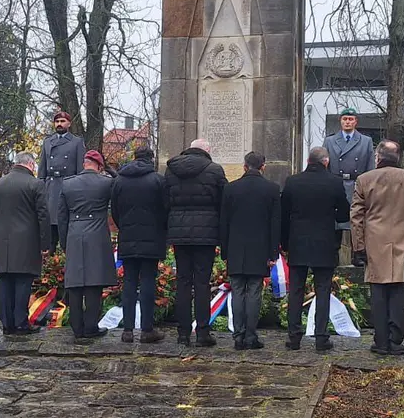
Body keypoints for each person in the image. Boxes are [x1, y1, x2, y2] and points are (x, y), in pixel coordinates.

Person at [350, 140, 404, 356]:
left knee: (378, 293)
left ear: (378, 157)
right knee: (398, 292)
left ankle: (381, 341)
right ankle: (396, 341)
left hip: (375, 243)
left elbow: (356, 216)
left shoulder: (364, 179)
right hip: (402, 241)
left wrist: (358, 247)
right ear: (398, 157)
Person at [279, 146, 348, 352]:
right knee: (323, 290)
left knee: (296, 290)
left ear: (308, 161)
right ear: (326, 162)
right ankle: (321, 337)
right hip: (324, 243)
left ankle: (294, 337)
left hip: (298, 242)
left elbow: (283, 215)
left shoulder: (293, 182)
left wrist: (285, 243)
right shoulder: (335, 182)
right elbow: (343, 215)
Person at [164, 138, 229, 347]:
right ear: (207, 151)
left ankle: (183, 333)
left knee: (183, 282)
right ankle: (202, 332)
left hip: (179, 233)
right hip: (206, 234)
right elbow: (224, 202)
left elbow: (165, 201)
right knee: (202, 283)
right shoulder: (214, 170)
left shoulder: (171, 170)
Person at [219, 151, 282, 351]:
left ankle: (238, 336)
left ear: (244, 166)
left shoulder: (230, 188)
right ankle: (251, 336)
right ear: (263, 166)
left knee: (237, 291)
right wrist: (273, 253)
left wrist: (225, 252)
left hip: (236, 248)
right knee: (254, 291)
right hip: (260, 248)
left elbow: (223, 223)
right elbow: (275, 224)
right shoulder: (272, 189)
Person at [0, 152, 51, 337]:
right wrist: (45, 243)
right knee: (23, 282)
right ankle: (21, 323)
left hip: (3, 242)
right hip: (27, 242)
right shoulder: (35, 184)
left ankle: (7, 324)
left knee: (5, 283)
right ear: (31, 164)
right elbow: (43, 215)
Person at [56, 150, 117, 344]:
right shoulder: (106, 183)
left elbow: (62, 217)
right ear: (99, 166)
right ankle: (91, 327)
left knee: (75, 283)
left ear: (84, 164)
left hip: (74, 234)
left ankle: (77, 327)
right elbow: (120, 187)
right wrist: (111, 171)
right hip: (97, 234)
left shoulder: (68, 183)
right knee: (94, 282)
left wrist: (64, 242)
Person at [110, 142, 168, 343]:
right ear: (151, 159)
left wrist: (125, 226)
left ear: (134, 157)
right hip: (152, 238)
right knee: (148, 282)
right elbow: (165, 209)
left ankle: (127, 330)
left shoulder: (120, 181)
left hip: (128, 236)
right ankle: (146, 329)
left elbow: (115, 210)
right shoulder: (158, 180)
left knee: (129, 282)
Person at [325, 106, 374, 264]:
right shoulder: (329, 141)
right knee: (335, 222)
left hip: (356, 185)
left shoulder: (366, 141)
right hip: (336, 184)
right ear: (340, 121)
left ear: (355, 122)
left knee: (357, 220)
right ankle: (333, 254)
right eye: (345, 119)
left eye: (350, 119)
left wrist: (368, 188)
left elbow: (370, 168)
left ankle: (358, 254)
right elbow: (325, 165)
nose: (347, 122)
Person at [40, 110, 86, 250]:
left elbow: (80, 170)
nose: (59, 124)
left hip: (67, 185)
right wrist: (41, 188)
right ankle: (50, 255)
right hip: (51, 188)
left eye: (62, 121)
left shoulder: (77, 142)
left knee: (65, 224)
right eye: (57, 121)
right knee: (50, 227)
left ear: (69, 124)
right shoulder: (47, 142)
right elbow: (42, 170)